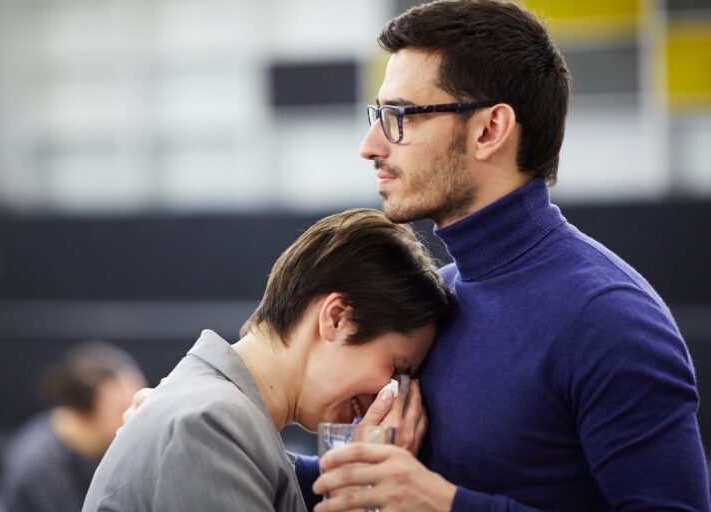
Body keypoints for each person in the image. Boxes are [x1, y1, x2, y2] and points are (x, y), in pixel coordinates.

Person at [304, 1, 710, 511]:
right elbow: (341, 484)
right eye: (377, 116)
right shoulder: (436, 298)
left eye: (399, 117)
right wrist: (219, 415)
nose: (370, 145)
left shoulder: (609, 319)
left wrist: (446, 504)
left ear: (490, 130)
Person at [82, 208, 453, 511]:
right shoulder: (212, 424)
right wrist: (365, 501)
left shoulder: (216, 416)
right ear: (337, 318)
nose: (392, 396)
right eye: (397, 369)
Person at [0, 341, 146, 512]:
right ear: (83, 415)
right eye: (122, 407)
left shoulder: (106, 448)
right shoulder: (38, 470)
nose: (135, 415)